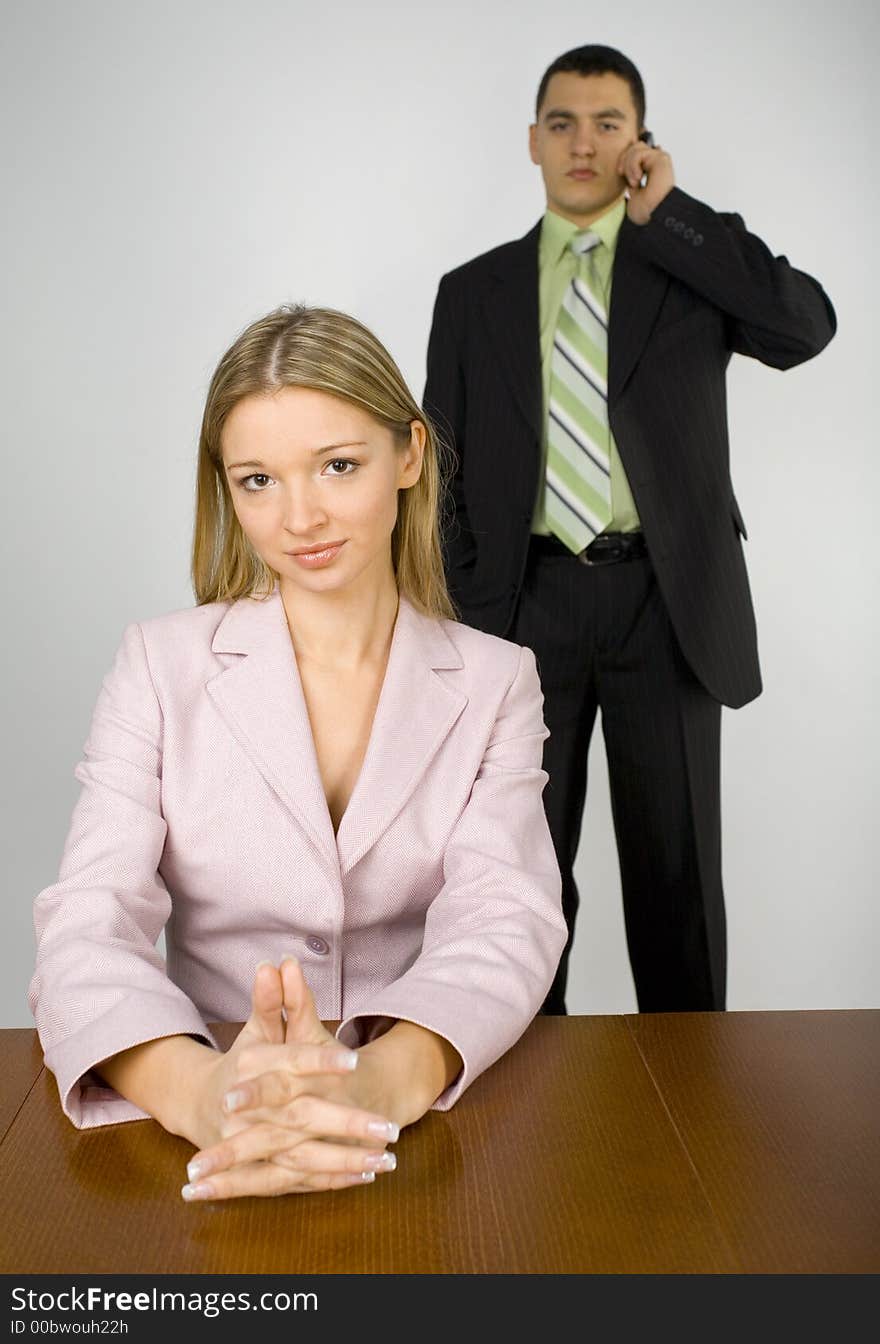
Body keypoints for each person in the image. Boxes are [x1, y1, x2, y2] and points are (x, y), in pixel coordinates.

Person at [29, 304, 566, 1202]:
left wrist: (375, 1085)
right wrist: (206, 1093)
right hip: (196, 1114)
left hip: (426, 1120)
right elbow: (88, 923)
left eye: (339, 465)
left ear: (411, 456)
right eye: (257, 481)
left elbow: (505, 921)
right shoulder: (158, 665)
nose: (300, 517)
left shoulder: (497, 680)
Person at [423, 44, 836, 1014]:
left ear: (640, 144)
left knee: (677, 884)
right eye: (562, 122)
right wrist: (478, 612)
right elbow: (436, 469)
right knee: (516, 887)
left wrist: (673, 220)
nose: (582, 142)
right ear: (531, 140)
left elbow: (804, 329)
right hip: (522, 611)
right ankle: (526, 1118)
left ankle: (691, 1116)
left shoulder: (685, 268)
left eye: (607, 123)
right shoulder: (470, 291)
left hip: (667, 603)